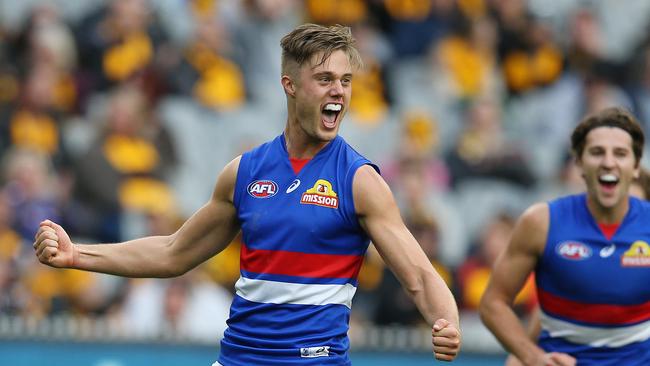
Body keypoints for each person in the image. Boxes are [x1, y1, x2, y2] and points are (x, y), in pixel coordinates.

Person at [33, 24, 461, 365]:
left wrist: (447, 322)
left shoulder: (359, 180)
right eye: (325, 79)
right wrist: (78, 256)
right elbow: (172, 252)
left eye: (346, 81)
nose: (339, 92)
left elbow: (420, 275)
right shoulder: (244, 172)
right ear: (290, 85)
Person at [479, 106, 650, 365]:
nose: (608, 161)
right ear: (579, 163)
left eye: (620, 153)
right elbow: (493, 303)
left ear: (636, 166)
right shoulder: (542, 222)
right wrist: (532, 357)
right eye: (596, 152)